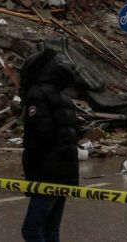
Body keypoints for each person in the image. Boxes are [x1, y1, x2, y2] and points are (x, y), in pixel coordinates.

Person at [20, 48, 79, 242]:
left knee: (31, 229)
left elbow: (40, 136)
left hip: (46, 173)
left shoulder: (37, 93)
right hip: (64, 171)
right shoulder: (64, 96)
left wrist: (30, 166)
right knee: (51, 229)